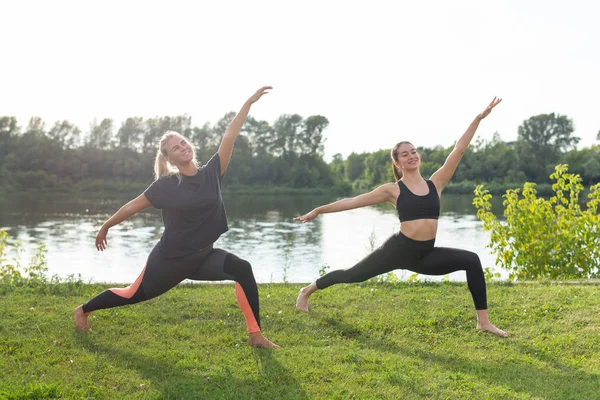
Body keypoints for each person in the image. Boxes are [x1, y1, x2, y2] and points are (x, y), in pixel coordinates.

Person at [74, 86, 280, 348]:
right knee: (131, 294)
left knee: (242, 269)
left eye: (183, 142)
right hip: (169, 260)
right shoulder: (167, 186)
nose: (182, 147)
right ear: (170, 158)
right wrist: (106, 226)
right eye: (175, 147)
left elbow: (230, 135)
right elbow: (133, 206)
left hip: (203, 256)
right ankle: (83, 310)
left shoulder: (213, 172)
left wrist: (249, 103)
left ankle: (255, 335)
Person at [294, 97, 507, 337]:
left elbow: (459, 149)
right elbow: (353, 202)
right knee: (352, 275)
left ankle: (484, 322)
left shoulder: (436, 183)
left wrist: (478, 118)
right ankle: (307, 291)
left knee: (472, 260)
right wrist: (319, 210)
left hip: (426, 254)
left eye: (414, 152)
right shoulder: (392, 190)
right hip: (397, 250)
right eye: (405, 154)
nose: (411, 156)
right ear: (398, 162)